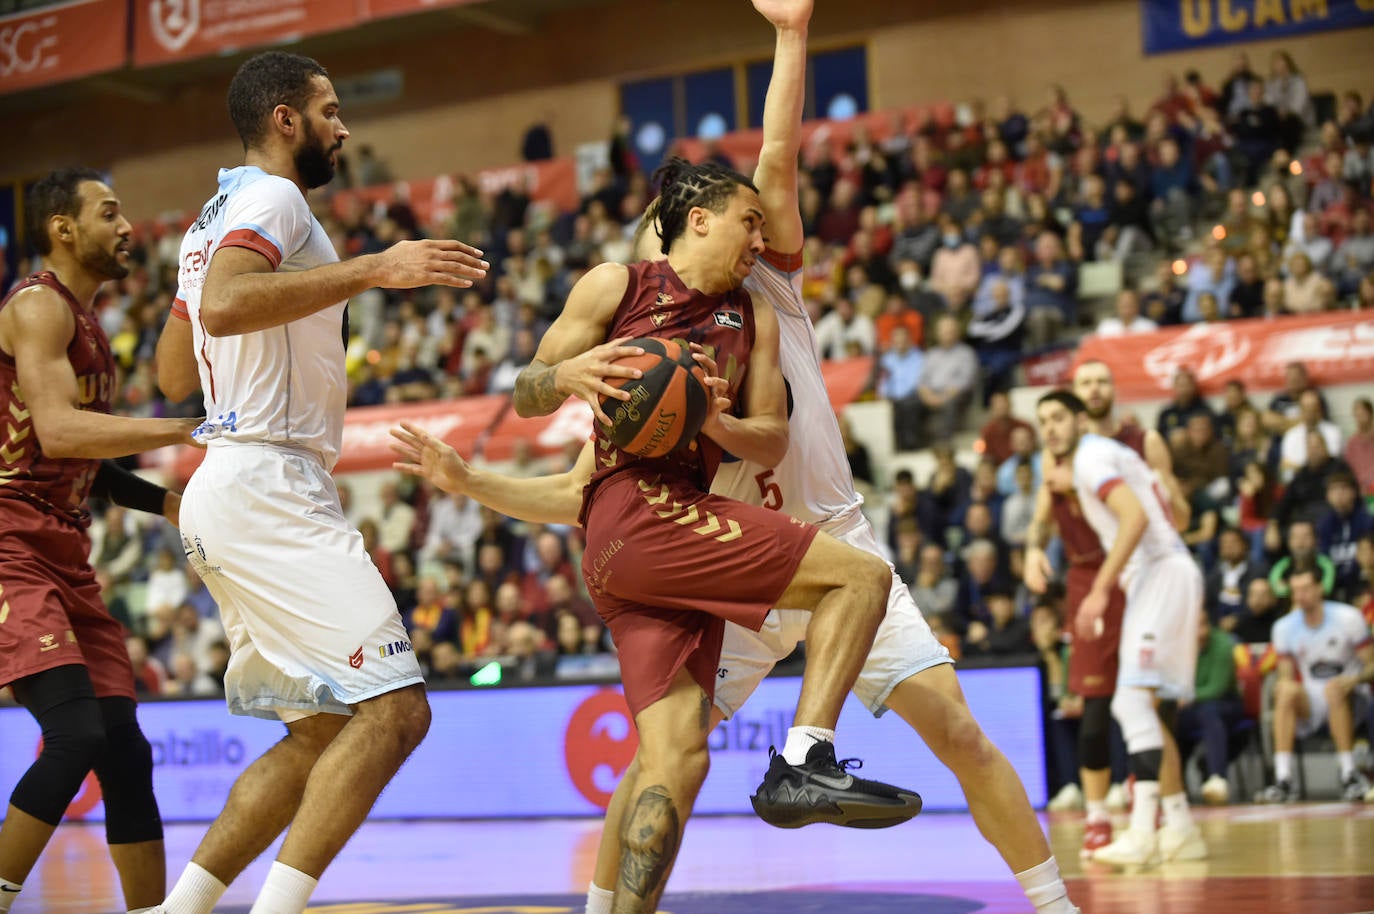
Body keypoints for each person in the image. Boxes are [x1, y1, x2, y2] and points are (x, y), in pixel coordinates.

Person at [395, 5, 1076, 913]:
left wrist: (791, 38)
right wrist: (473, 475)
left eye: (754, 223)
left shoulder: (770, 290)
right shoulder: (637, 335)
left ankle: (1054, 903)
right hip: (722, 564)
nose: (753, 235)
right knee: (661, 761)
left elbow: (777, 158)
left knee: (960, 733)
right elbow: (579, 493)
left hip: (825, 534)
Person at [508, 91, 918, 914]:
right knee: (861, 580)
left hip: (640, 547)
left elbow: (767, 438)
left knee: (677, 761)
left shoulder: (754, 313)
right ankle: (805, 758)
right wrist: (568, 377)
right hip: (639, 506)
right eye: (748, 224)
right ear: (696, 218)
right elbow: (525, 389)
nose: (759, 241)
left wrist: (714, 418)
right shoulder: (616, 284)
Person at [150, 51, 487, 914]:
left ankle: (181, 908)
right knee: (396, 711)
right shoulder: (275, 196)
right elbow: (227, 307)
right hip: (267, 479)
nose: (345, 126)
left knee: (319, 732)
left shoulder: (208, 217)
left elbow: (170, 372)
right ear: (285, 120)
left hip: (224, 480)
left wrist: (201, 292)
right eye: (331, 110)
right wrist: (376, 267)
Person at [0, 169, 202, 914]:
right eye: (109, 212)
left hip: (64, 550)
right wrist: (190, 429)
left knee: (126, 748)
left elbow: (92, 464)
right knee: (75, 733)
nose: (127, 227)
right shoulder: (35, 308)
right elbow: (57, 431)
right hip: (9, 539)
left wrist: (168, 502)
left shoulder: (91, 331)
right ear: (62, 227)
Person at [1023, 358, 1188, 859]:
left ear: (1112, 389)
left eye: (1102, 380)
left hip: (1141, 571)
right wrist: (1033, 549)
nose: (1094, 389)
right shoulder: (1058, 454)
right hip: (1088, 576)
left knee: (1148, 703)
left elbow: (1177, 514)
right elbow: (1041, 520)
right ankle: (1100, 819)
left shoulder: (1142, 442)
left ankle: (1169, 814)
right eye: (1085, 382)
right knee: (1096, 705)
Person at [1256, 564, 1374, 804]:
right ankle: (1283, 779)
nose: (1300, 596)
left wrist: (1354, 679)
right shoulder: (1284, 627)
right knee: (1285, 690)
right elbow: (1286, 675)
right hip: (1312, 699)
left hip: (1353, 694)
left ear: (1321, 588)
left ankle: (1349, 774)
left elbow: (1371, 663)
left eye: (1306, 589)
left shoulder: (1348, 617)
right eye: (1295, 590)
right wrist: (1283, 687)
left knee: (1333, 688)